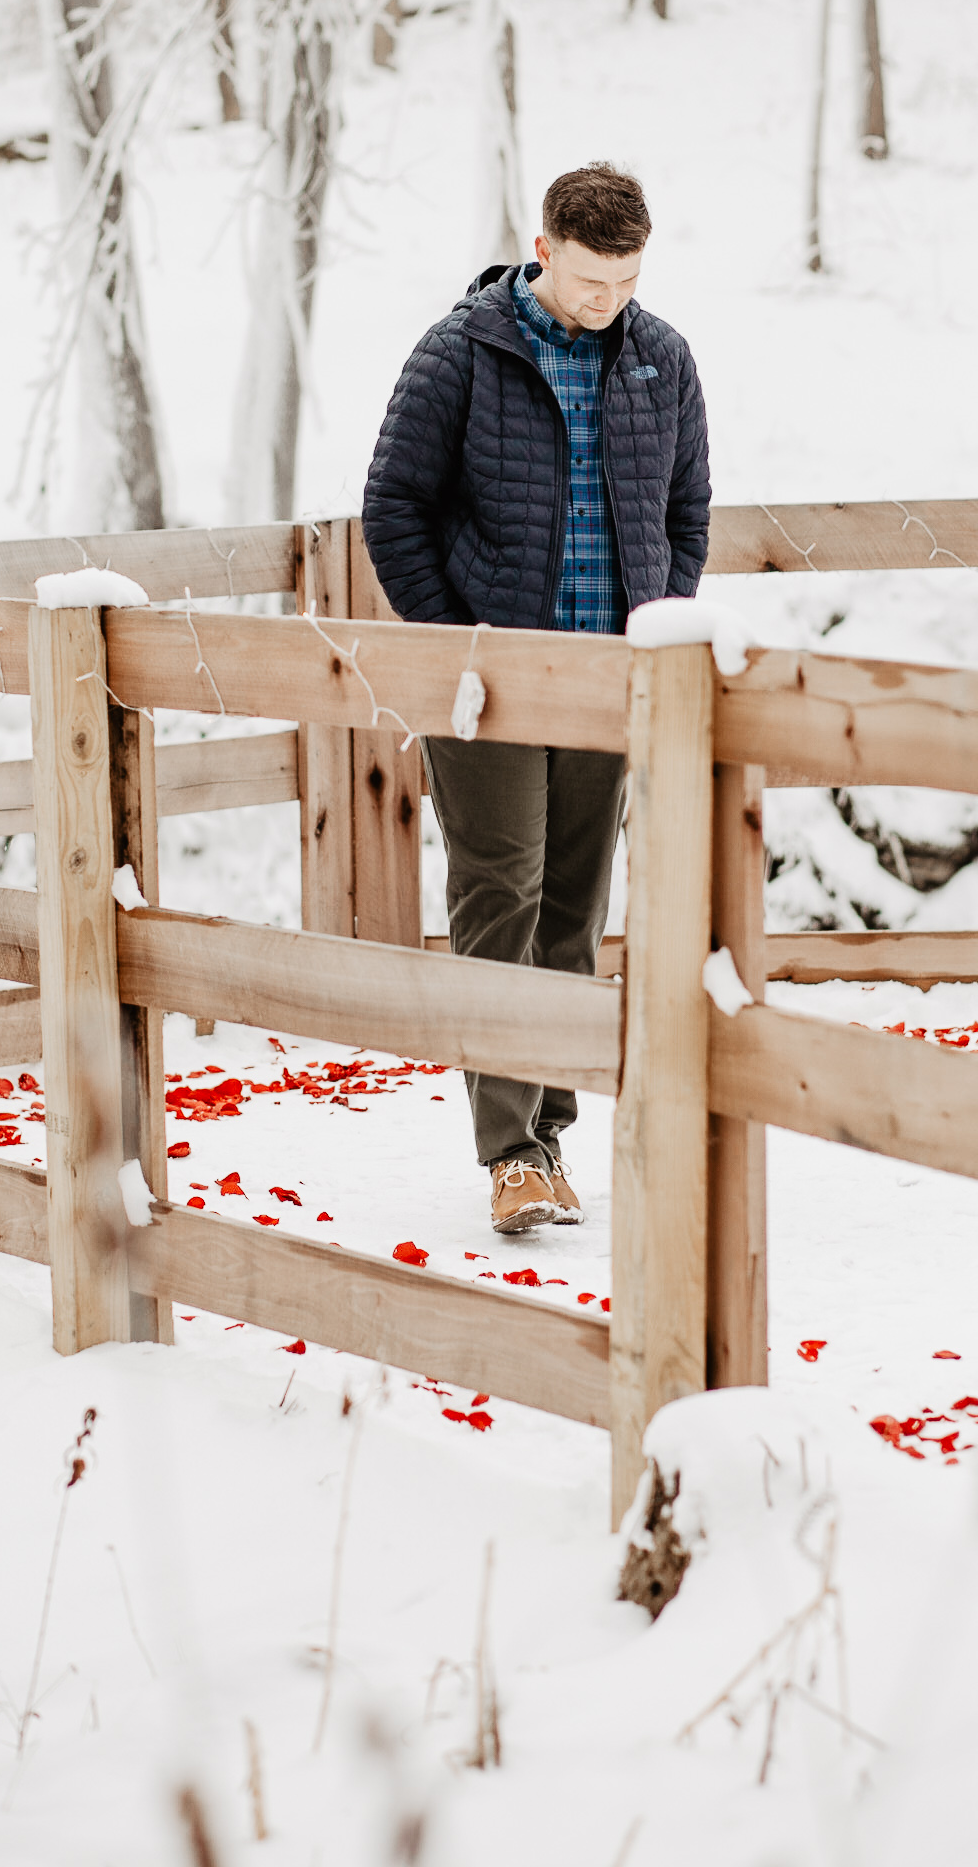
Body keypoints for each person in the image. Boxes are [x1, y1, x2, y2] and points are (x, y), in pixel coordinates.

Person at [361, 163, 711, 1234]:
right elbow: (392, 508)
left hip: (608, 681)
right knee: (497, 892)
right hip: (491, 685)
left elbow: (687, 512)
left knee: (573, 904)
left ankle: (546, 1132)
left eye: (627, 278)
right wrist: (455, 642)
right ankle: (509, 1149)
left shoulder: (661, 359)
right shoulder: (460, 352)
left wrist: (656, 622)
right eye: (590, 277)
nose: (607, 299)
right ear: (544, 247)